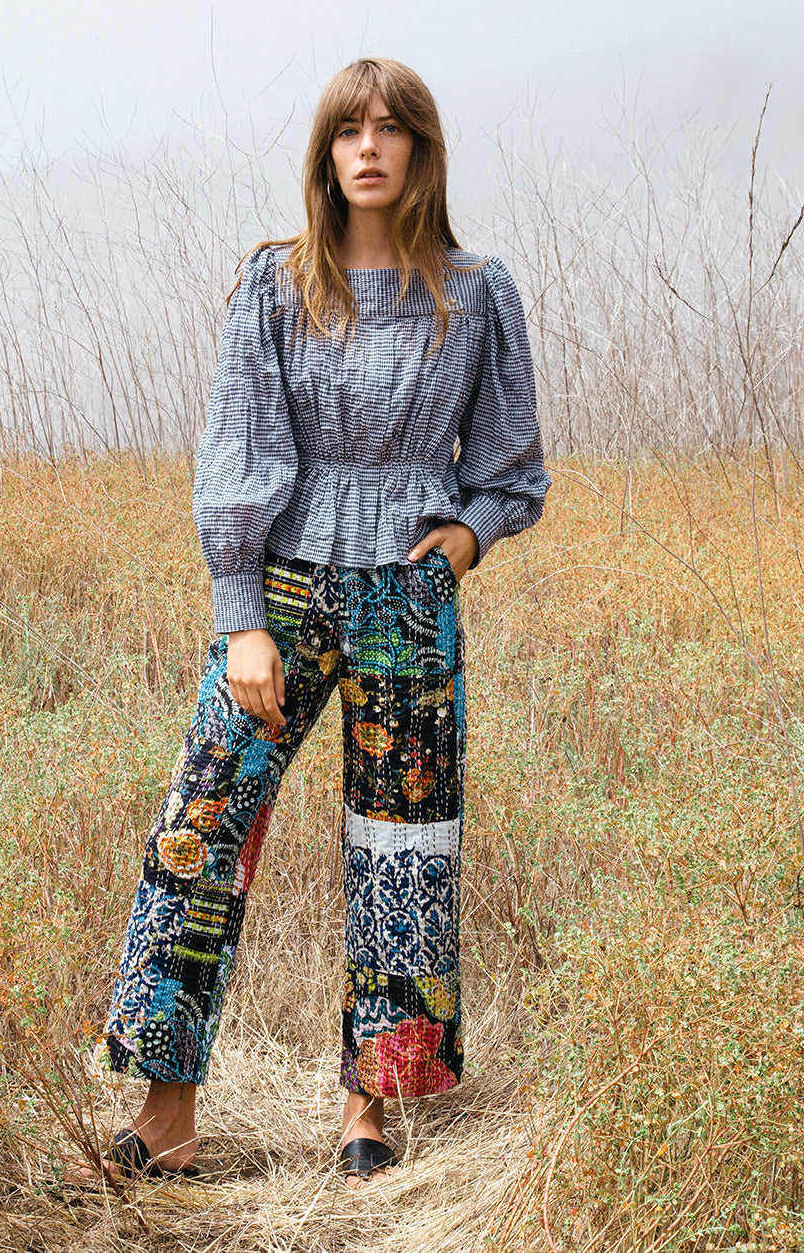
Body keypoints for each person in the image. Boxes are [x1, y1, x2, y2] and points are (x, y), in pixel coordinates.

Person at [87, 57, 550, 1189]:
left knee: (402, 848)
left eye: (392, 129)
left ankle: (366, 1108)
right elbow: (235, 451)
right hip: (283, 592)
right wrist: (240, 615)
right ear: (326, 152)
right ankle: (167, 1114)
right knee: (200, 828)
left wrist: (468, 537)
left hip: (406, 601)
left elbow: (512, 465)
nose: (369, 147)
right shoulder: (275, 284)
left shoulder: (478, 292)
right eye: (350, 129)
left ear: (421, 150)